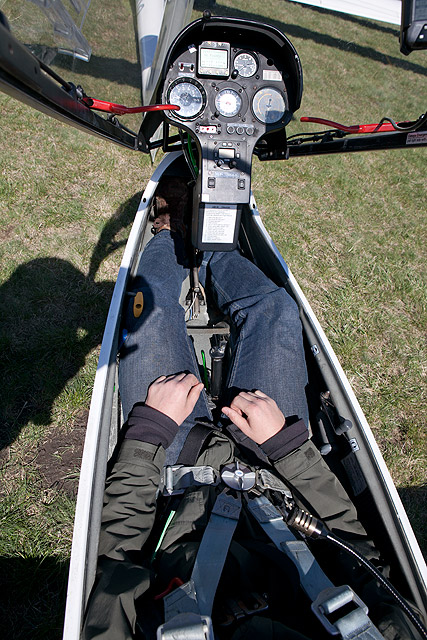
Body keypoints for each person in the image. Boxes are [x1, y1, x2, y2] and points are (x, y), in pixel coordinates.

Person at [81, 178, 418, 640]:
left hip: (175, 477)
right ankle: (212, 241)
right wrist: (290, 449)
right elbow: (360, 556)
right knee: (274, 311)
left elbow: (114, 564)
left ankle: (169, 232)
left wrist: (148, 434)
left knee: (154, 314)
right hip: (274, 469)